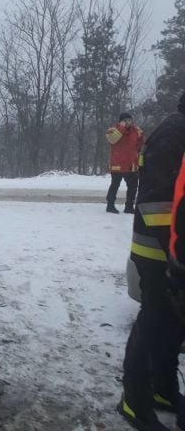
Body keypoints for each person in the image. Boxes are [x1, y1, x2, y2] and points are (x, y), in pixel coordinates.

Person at [118, 92, 185, 431]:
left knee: (173, 325)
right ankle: (134, 400)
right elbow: (158, 198)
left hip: (176, 250)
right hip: (157, 249)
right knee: (155, 319)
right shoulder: (175, 132)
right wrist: (175, 258)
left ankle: (163, 390)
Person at [105, 113, 145, 214]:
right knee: (114, 186)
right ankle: (110, 206)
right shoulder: (113, 130)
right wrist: (121, 128)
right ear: (121, 121)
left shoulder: (135, 131)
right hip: (118, 165)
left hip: (131, 165)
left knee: (133, 187)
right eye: (126, 120)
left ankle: (129, 207)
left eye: (130, 120)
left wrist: (141, 137)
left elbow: (139, 144)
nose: (128, 122)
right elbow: (112, 140)